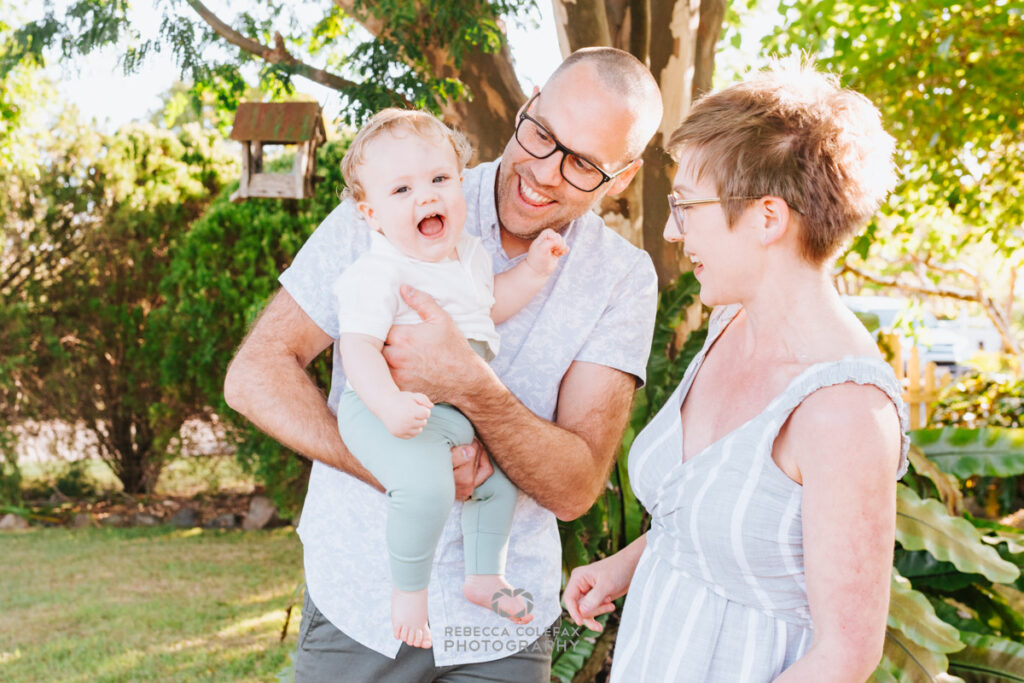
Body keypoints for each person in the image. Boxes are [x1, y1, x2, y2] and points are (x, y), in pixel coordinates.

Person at [223, 46, 663, 682]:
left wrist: (468, 383)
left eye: (585, 165)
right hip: (362, 603)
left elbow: (575, 488)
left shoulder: (620, 279)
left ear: (621, 178)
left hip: (499, 639)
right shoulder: (390, 194)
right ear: (529, 103)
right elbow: (255, 373)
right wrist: (394, 472)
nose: (543, 172)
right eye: (542, 135)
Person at [562, 63, 909, 682]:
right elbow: (716, 517)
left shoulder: (847, 411)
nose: (672, 229)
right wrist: (627, 564)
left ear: (768, 218)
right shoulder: (727, 326)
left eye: (687, 205)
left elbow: (846, 654)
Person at [333, 108, 568, 649]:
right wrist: (390, 405)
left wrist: (532, 271)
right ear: (371, 214)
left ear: (460, 183)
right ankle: (408, 592)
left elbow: (492, 307)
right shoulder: (379, 270)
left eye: (439, 179)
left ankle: (484, 577)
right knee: (427, 488)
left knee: (501, 481)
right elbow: (359, 349)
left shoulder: (468, 255)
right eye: (402, 190)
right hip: (380, 410)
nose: (426, 197)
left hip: (453, 416)